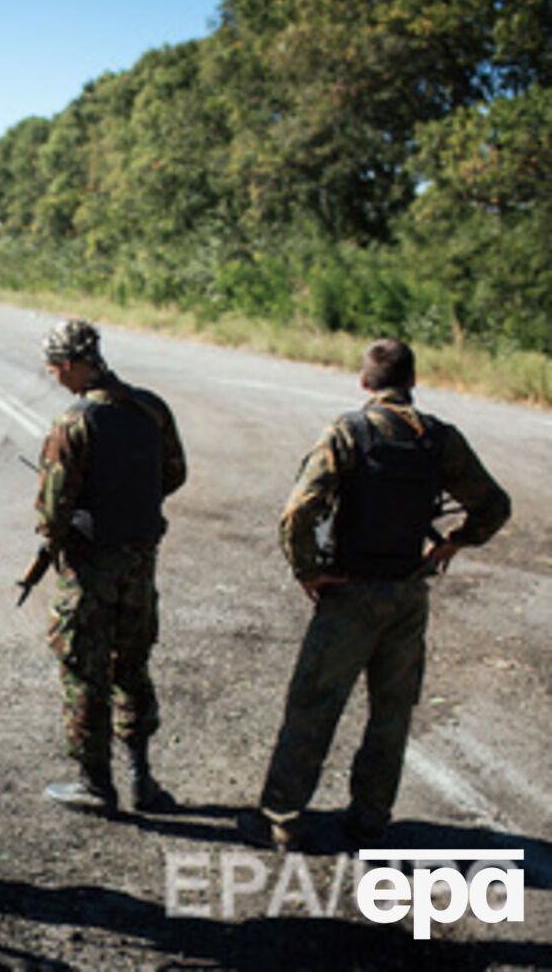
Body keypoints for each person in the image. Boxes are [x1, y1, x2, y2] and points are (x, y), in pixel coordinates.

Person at [240, 338, 511, 850]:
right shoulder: (439, 438)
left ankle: (283, 815)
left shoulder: (349, 432)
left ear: (365, 382)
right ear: (412, 381)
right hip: (408, 595)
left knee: (314, 705)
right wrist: (454, 542)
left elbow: (299, 512)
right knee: (392, 712)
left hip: (351, 593)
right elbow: (494, 505)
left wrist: (308, 571)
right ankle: (370, 820)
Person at [30, 319, 186, 816]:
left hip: (90, 569)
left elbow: (52, 511)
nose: (55, 378)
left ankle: (96, 784)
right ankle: (143, 779)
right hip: (140, 563)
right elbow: (175, 472)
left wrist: (65, 533)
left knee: (83, 671)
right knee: (133, 666)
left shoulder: (74, 423)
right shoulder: (150, 408)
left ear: (73, 364)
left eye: (56, 369)